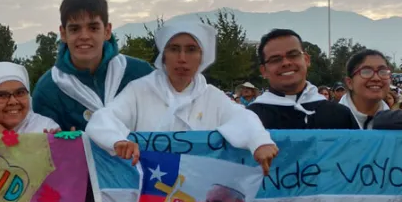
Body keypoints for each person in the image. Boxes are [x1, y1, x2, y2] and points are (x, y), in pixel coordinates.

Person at [85, 22, 278, 175]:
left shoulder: (211, 96)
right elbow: (104, 118)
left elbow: (242, 118)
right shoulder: (139, 90)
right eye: (174, 49)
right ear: (164, 55)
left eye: (191, 49)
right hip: (149, 192)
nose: (182, 57)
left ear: (202, 56)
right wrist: (117, 140)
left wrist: (259, 141)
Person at [31, 0, 154, 131]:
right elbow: (46, 148)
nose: (84, 36)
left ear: (107, 31)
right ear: (63, 34)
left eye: (93, 28)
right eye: (75, 29)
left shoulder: (140, 73)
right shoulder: (48, 90)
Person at [248, 29, 358, 130]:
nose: (286, 63)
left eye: (293, 55)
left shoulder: (340, 115)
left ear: (306, 60)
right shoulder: (249, 119)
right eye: (275, 59)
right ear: (263, 71)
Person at [338, 49, 391, 129]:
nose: (376, 78)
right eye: (366, 72)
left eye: (383, 72)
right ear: (349, 83)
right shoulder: (327, 122)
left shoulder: (397, 125)